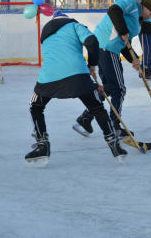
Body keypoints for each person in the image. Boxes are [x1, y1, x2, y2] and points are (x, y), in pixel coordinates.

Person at [25, 10, 127, 164]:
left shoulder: (45, 31)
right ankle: (113, 143)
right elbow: (92, 41)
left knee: (36, 105)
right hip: (77, 75)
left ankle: (42, 145)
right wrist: (92, 64)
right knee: (96, 106)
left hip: (49, 77)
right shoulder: (73, 25)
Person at [73, 0, 151, 138]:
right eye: (150, 13)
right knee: (119, 89)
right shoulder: (132, 3)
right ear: (146, 7)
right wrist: (123, 30)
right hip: (106, 47)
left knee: (109, 88)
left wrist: (134, 59)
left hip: (107, 49)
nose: (149, 16)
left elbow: (126, 44)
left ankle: (86, 117)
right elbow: (114, 10)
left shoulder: (138, 21)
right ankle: (115, 126)